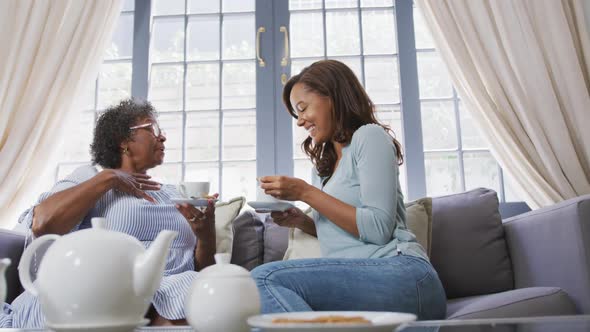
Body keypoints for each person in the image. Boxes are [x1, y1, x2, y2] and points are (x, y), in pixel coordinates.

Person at [252, 60, 447, 319]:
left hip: (401, 273)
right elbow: (347, 236)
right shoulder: (324, 169)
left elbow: (377, 230)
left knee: (262, 280)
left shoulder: (369, 137)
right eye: (296, 115)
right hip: (361, 279)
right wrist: (303, 222)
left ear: (332, 96)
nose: (299, 122)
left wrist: (305, 193)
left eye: (302, 108)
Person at [0, 99, 217, 328]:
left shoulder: (176, 195)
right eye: (151, 129)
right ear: (123, 141)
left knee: (205, 297)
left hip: (171, 290)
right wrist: (109, 178)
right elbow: (44, 223)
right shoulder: (89, 180)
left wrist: (205, 234)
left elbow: (202, 270)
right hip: (99, 290)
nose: (162, 137)